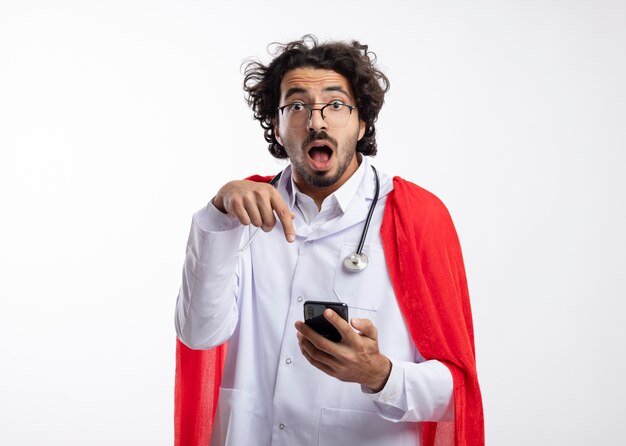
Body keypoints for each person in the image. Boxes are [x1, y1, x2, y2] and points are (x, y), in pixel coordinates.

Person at [174, 35, 483, 446]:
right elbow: (198, 335)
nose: (316, 121)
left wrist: (380, 375)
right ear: (277, 126)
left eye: (335, 104)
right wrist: (217, 214)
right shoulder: (240, 213)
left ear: (363, 122)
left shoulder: (416, 217)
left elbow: (456, 390)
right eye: (296, 105)